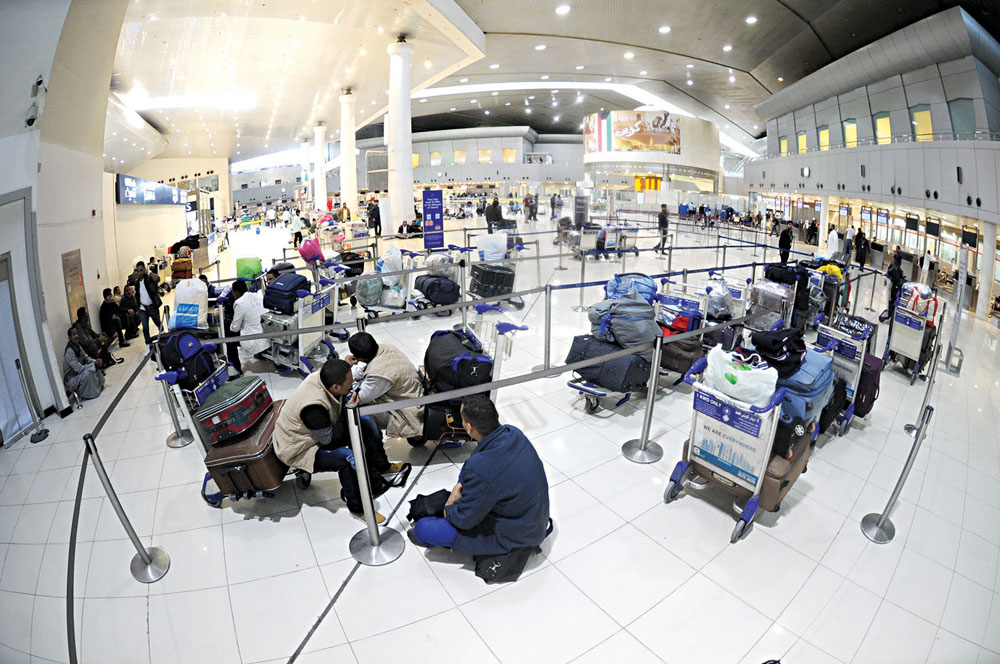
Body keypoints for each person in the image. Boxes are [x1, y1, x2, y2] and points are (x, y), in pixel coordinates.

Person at [409, 395, 550, 564]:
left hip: (515, 534)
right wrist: (459, 486)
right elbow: (474, 465)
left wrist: (449, 509)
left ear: (469, 427)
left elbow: (465, 520)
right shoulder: (512, 433)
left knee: (422, 529)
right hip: (531, 519)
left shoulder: (481, 468)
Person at [272, 359, 410, 523]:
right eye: (349, 384)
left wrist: (348, 401)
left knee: (367, 423)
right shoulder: (313, 407)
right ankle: (357, 508)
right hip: (299, 448)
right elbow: (328, 440)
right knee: (346, 457)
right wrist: (347, 408)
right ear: (336, 388)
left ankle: (383, 468)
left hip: (315, 433)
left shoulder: (326, 379)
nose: (352, 386)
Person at [345, 332, 423, 442]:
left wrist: (346, 371)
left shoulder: (379, 375)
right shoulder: (385, 348)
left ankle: (370, 445)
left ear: (361, 358)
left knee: (355, 412)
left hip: (406, 414)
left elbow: (358, 398)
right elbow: (361, 371)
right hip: (412, 397)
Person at [230, 279, 268, 358]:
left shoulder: (239, 303)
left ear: (236, 292)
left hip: (253, 342)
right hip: (266, 337)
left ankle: (235, 366)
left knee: (229, 338)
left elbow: (235, 328)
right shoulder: (257, 295)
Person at [64, 327, 105, 400]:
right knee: (87, 373)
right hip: (72, 378)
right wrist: (93, 365)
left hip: (78, 373)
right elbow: (79, 369)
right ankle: (84, 393)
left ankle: (97, 388)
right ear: (70, 337)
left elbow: (86, 358)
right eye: (73, 335)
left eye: (76, 334)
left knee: (94, 368)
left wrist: (95, 362)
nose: (76, 336)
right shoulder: (69, 352)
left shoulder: (78, 346)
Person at [133, 261, 163, 352]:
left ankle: (163, 341)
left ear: (144, 270)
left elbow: (157, 279)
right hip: (143, 308)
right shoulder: (137, 283)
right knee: (145, 328)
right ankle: (148, 346)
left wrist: (149, 272)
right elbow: (137, 295)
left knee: (159, 323)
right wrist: (138, 308)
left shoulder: (149, 278)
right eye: (137, 271)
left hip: (152, 306)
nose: (139, 273)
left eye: (141, 270)